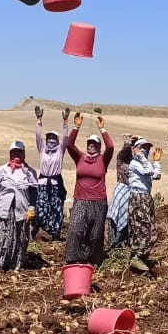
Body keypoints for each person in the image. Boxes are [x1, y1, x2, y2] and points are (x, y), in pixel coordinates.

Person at [64, 113, 114, 266]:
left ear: (99, 146)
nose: (91, 145)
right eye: (89, 143)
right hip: (80, 200)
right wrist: (76, 126)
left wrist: (103, 129)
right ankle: (74, 260)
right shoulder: (79, 157)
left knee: (96, 234)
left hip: (99, 201)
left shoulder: (102, 160)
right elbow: (69, 145)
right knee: (75, 230)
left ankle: (94, 261)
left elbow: (110, 146)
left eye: (95, 143)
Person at [0, 140, 38, 271]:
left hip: (21, 209)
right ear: (10, 154)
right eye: (14, 152)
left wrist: (32, 208)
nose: (17, 154)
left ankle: (15, 264)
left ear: (24, 154)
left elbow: (33, 191)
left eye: (19, 152)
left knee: (20, 237)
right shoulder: (1, 170)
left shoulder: (29, 172)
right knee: (2, 237)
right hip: (3, 208)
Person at [124, 137, 162, 268]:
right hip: (138, 197)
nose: (146, 150)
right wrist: (142, 157)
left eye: (147, 148)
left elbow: (157, 175)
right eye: (143, 148)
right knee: (143, 228)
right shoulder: (135, 163)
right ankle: (137, 255)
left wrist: (156, 162)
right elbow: (149, 171)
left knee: (148, 228)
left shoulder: (144, 163)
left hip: (146, 197)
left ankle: (141, 256)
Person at [33, 106, 67, 241]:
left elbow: (66, 138)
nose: (51, 141)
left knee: (56, 209)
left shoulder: (60, 151)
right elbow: (37, 136)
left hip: (55, 184)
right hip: (42, 184)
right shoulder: (42, 149)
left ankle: (55, 235)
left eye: (54, 139)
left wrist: (65, 122)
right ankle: (36, 227)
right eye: (49, 138)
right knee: (40, 208)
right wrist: (39, 120)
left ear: (57, 141)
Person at [107, 142, 133, 251]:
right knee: (116, 221)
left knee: (127, 223)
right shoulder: (121, 162)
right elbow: (121, 153)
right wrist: (128, 143)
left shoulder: (136, 164)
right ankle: (114, 247)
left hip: (130, 195)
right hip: (121, 193)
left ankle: (122, 247)